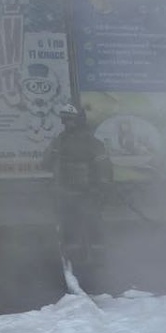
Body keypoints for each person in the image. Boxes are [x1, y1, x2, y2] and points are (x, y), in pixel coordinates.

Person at [42, 105, 114, 266]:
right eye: (64, 120)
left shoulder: (92, 144)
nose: (66, 123)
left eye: (70, 120)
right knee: (71, 229)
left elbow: (104, 170)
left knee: (93, 228)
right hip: (67, 194)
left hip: (88, 194)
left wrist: (101, 190)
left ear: (79, 121)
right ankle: (74, 263)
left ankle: (98, 263)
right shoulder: (60, 141)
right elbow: (46, 164)